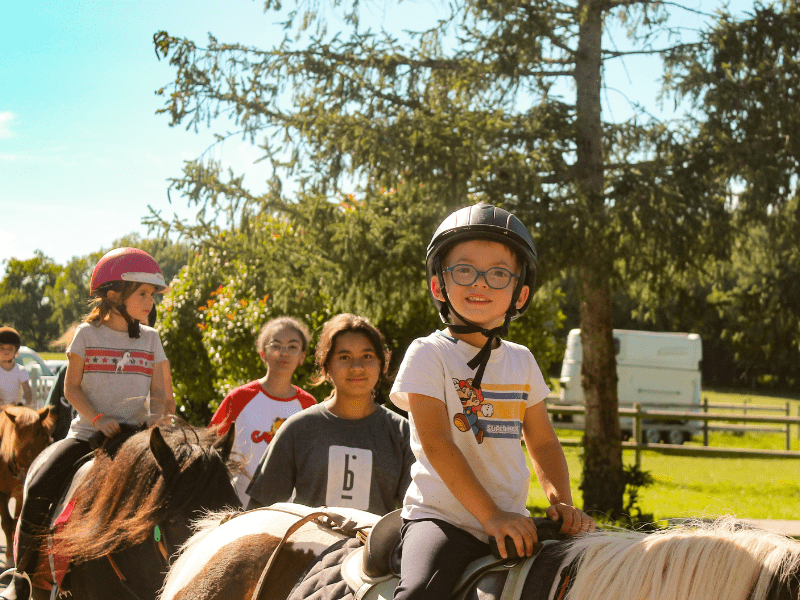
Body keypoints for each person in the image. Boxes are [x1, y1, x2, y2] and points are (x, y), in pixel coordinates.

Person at [389, 203, 595, 600]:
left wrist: (562, 503)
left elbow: (544, 442)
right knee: (419, 591)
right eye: (464, 270)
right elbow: (436, 444)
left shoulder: (521, 359)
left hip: (512, 523)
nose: (480, 283)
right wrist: (491, 516)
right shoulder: (428, 354)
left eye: (499, 273)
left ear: (520, 294)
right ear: (439, 286)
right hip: (444, 520)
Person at [1, 247, 175, 600]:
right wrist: (99, 419)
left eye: (153, 295)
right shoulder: (86, 334)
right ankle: (25, 576)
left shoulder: (152, 339)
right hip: (87, 435)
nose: (150, 302)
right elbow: (71, 387)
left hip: (138, 439)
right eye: (143, 294)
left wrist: (157, 422)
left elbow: (163, 394)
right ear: (114, 295)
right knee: (40, 483)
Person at [247, 313, 414, 516]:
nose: (357, 367)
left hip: (375, 547)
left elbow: (414, 514)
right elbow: (259, 512)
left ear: (381, 363)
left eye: (367, 356)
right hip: (306, 547)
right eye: (344, 357)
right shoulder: (298, 428)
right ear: (326, 365)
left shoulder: (403, 433)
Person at [210, 316, 317, 505]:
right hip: (238, 508)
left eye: (292, 347)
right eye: (276, 345)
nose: (283, 352)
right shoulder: (239, 398)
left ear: (302, 356)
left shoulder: (308, 405)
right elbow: (210, 448)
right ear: (262, 353)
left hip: (289, 515)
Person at [0, 327, 33, 406]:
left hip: (16, 408)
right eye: (2, 348)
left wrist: (26, 405)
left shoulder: (21, 370)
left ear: (16, 351)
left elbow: (27, 390)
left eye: (10, 348)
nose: (6, 351)